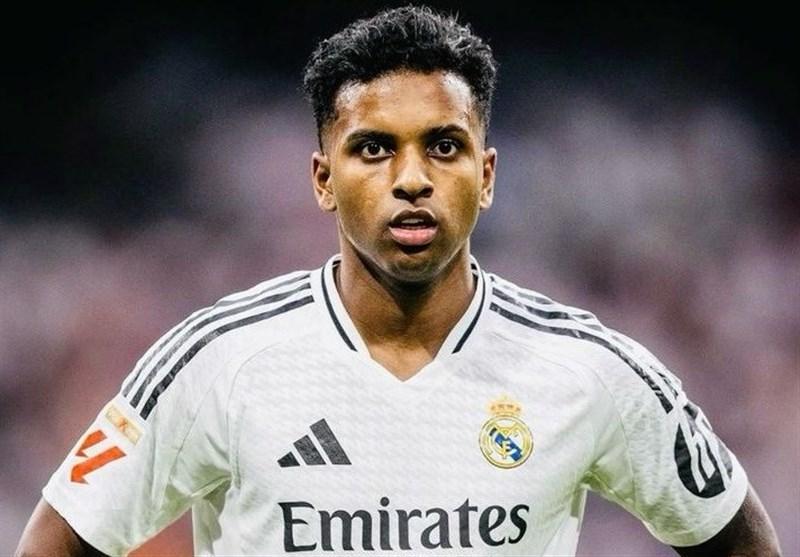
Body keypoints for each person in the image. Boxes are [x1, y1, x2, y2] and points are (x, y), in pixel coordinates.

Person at [16, 6, 780, 557]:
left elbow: (738, 536)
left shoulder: (587, 367)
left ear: (487, 175)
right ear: (323, 178)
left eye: (443, 146)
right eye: (374, 148)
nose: (411, 178)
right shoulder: (220, 358)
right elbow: (60, 539)